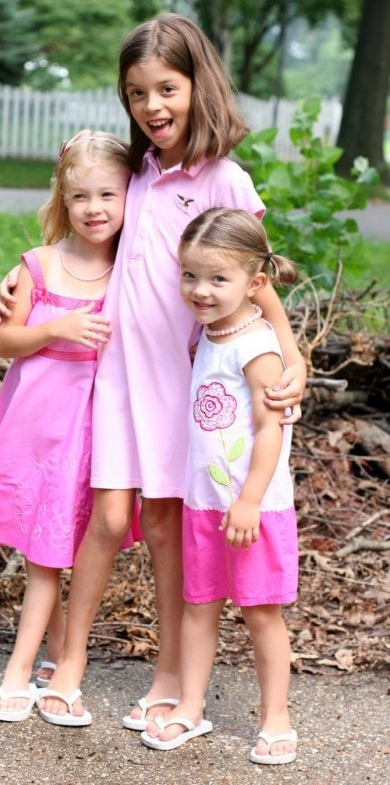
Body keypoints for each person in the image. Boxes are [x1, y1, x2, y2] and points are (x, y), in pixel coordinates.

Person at [0, 13, 306, 728]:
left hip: (187, 384)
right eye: (136, 94)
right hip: (117, 376)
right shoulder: (135, 173)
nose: (153, 106)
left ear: (199, 84)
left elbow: (257, 280)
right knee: (108, 518)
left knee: (166, 525)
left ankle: (170, 672)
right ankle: (67, 661)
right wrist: (21, 282)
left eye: (167, 88)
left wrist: (291, 357)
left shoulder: (224, 177)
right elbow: (85, 240)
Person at [0, 129, 132, 723]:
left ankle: (55, 656)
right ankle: (20, 674)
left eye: (108, 195)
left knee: (67, 541)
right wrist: (53, 331)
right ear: (64, 197)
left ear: (129, 194)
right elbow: (4, 340)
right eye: (81, 196)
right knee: (43, 550)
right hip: (38, 427)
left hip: (96, 433)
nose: (95, 209)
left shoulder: (132, 272)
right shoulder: (39, 265)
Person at [141, 208, 299, 765]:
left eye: (216, 279)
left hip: (253, 507)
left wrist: (250, 499)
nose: (199, 290)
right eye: (190, 275)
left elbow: (268, 428)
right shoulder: (212, 332)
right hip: (204, 503)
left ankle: (275, 718)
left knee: (260, 612)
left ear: (255, 284)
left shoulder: (255, 346)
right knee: (199, 604)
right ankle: (189, 706)